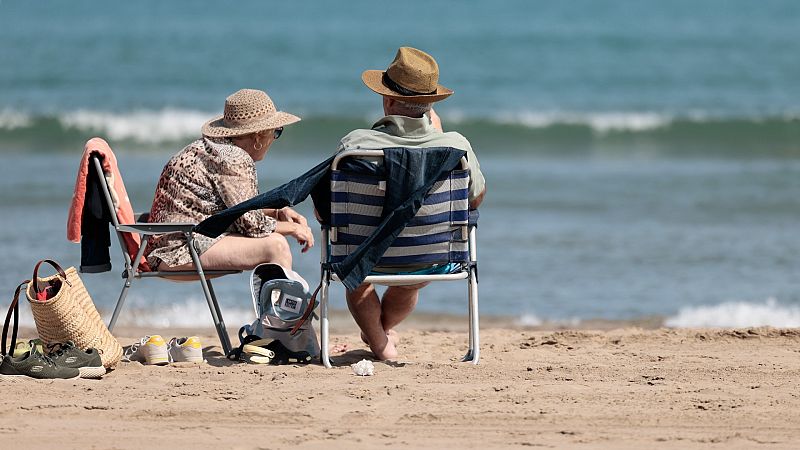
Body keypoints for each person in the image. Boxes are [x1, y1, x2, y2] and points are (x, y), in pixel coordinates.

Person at [338, 47, 486, 360]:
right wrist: (439, 137)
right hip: (429, 258)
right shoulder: (455, 146)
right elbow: (474, 199)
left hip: (365, 261)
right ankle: (380, 334)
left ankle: (379, 342)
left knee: (357, 279)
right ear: (430, 104)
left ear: (388, 101)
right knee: (409, 283)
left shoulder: (356, 145)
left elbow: (330, 207)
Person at [145, 88, 314, 273]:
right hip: (177, 251)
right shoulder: (233, 158)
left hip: (164, 246)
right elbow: (252, 226)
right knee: (276, 247)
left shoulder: (212, 149)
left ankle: (278, 301)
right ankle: (280, 302)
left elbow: (238, 208)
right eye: (275, 132)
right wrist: (293, 229)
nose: (274, 139)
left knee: (275, 242)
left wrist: (276, 211)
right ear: (258, 136)